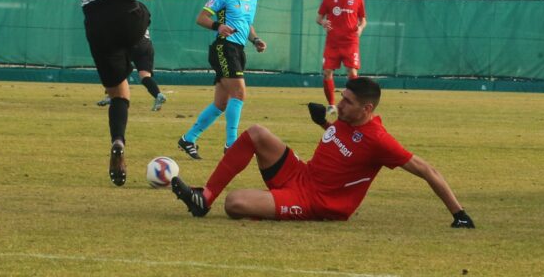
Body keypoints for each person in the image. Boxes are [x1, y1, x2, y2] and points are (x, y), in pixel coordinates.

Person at [171, 77, 475, 228]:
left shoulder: (379, 140)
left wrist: (458, 213)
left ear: (366, 109)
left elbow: (426, 170)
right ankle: (204, 198)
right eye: (341, 97)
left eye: (347, 102)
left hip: (317, 201)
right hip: (302, 175)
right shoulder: (344, 120)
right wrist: (324, 123)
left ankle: (261, 205)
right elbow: (345, 148)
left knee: (235, 203)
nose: (340, 105)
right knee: (256, 133)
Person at [77, 0, 184, 186]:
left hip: (95, 27)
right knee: (143, 16)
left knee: (120, 95)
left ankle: (118, 142)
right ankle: (144, 67)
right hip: (123, 17)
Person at [177, 0, 267, 160]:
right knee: (240, 93)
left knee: (221, 104)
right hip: (223, 48)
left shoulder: (252, 0)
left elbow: (247, 25)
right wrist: (218, 26)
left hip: (239, 50)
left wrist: (256, 39)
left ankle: (188, 139)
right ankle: (231, 145)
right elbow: (201, 18)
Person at [316, 0, 367, 115]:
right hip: (332, 43)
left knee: (352, 73)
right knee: (327, 72)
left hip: (350, 42)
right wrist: (323, 22)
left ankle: (355, 103)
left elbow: (363, 20)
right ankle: (331, 105)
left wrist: (361, 28)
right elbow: (318, 18)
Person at [96, 29, 167, 111]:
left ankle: (112, 97)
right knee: (145, 76)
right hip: (147, 45)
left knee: (116, 69)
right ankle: (158, 95)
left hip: (134, 43)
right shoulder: (140, 18)